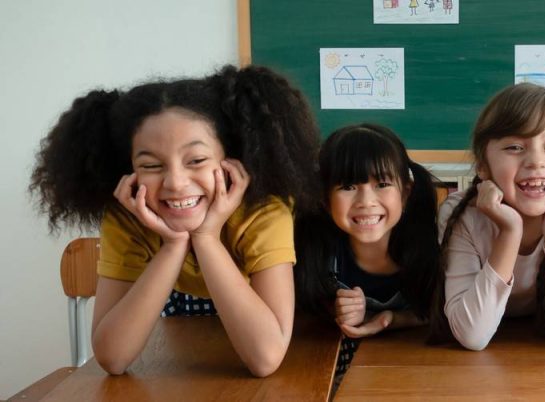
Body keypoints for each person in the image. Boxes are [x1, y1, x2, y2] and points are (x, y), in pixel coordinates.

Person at [29, 65, 320, 377]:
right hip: (176, 365)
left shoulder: (264, 212)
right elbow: (112, 358)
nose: (176, 183)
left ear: (231, 161)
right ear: (129, 171)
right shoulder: (127, 219)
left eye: (196, 160)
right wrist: (173, 245)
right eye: (152, 165)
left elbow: (265, 358)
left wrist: (206, 239)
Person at [432, 83, 545, 350]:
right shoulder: (461, 214)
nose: (535, 161)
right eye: (513, 147)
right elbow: (472, 335)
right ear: (482, 166)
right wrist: (510, 231)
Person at [294, 123, 442, 383]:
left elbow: (446, 309)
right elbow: (306, 304)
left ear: (405, 193)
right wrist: (336, 310)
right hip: (340, 371)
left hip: (420, 368)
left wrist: (390, 319)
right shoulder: (317, 253)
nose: (366, 201)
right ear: (325, 200)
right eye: (348, 187)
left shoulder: (434, 246)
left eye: (382, 183)